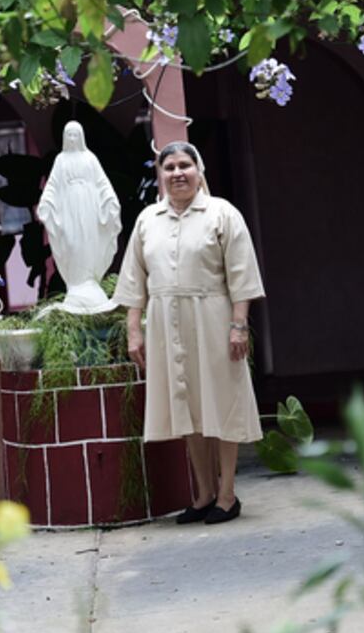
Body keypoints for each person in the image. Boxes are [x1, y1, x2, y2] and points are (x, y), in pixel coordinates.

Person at [112, 141, 265, 525]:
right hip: (165, 321)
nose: (177, 173)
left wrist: (238, 325)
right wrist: (134, 330)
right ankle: (203, 493)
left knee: (221, 401)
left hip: (214, 316)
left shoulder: (222, 213)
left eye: (185, 165)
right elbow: (134, 281)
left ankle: (227, 494)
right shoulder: (148, 219)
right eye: (169, 168)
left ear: (199, 170)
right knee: (186, 405)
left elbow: (242, 274)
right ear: (160, 176)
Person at [36, 121, 123, 314]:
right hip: (68, 209)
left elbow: (102, 183)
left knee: (90, 243)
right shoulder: (61, 160)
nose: (73, 139)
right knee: (72, 243)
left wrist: (109, 199)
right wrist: (47, 202)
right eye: (69, 135)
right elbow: (52, 185)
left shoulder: (89, 158)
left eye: (76, 135)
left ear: (81, 137)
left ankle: (90, 283)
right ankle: (76, 285)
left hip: (89, 207)